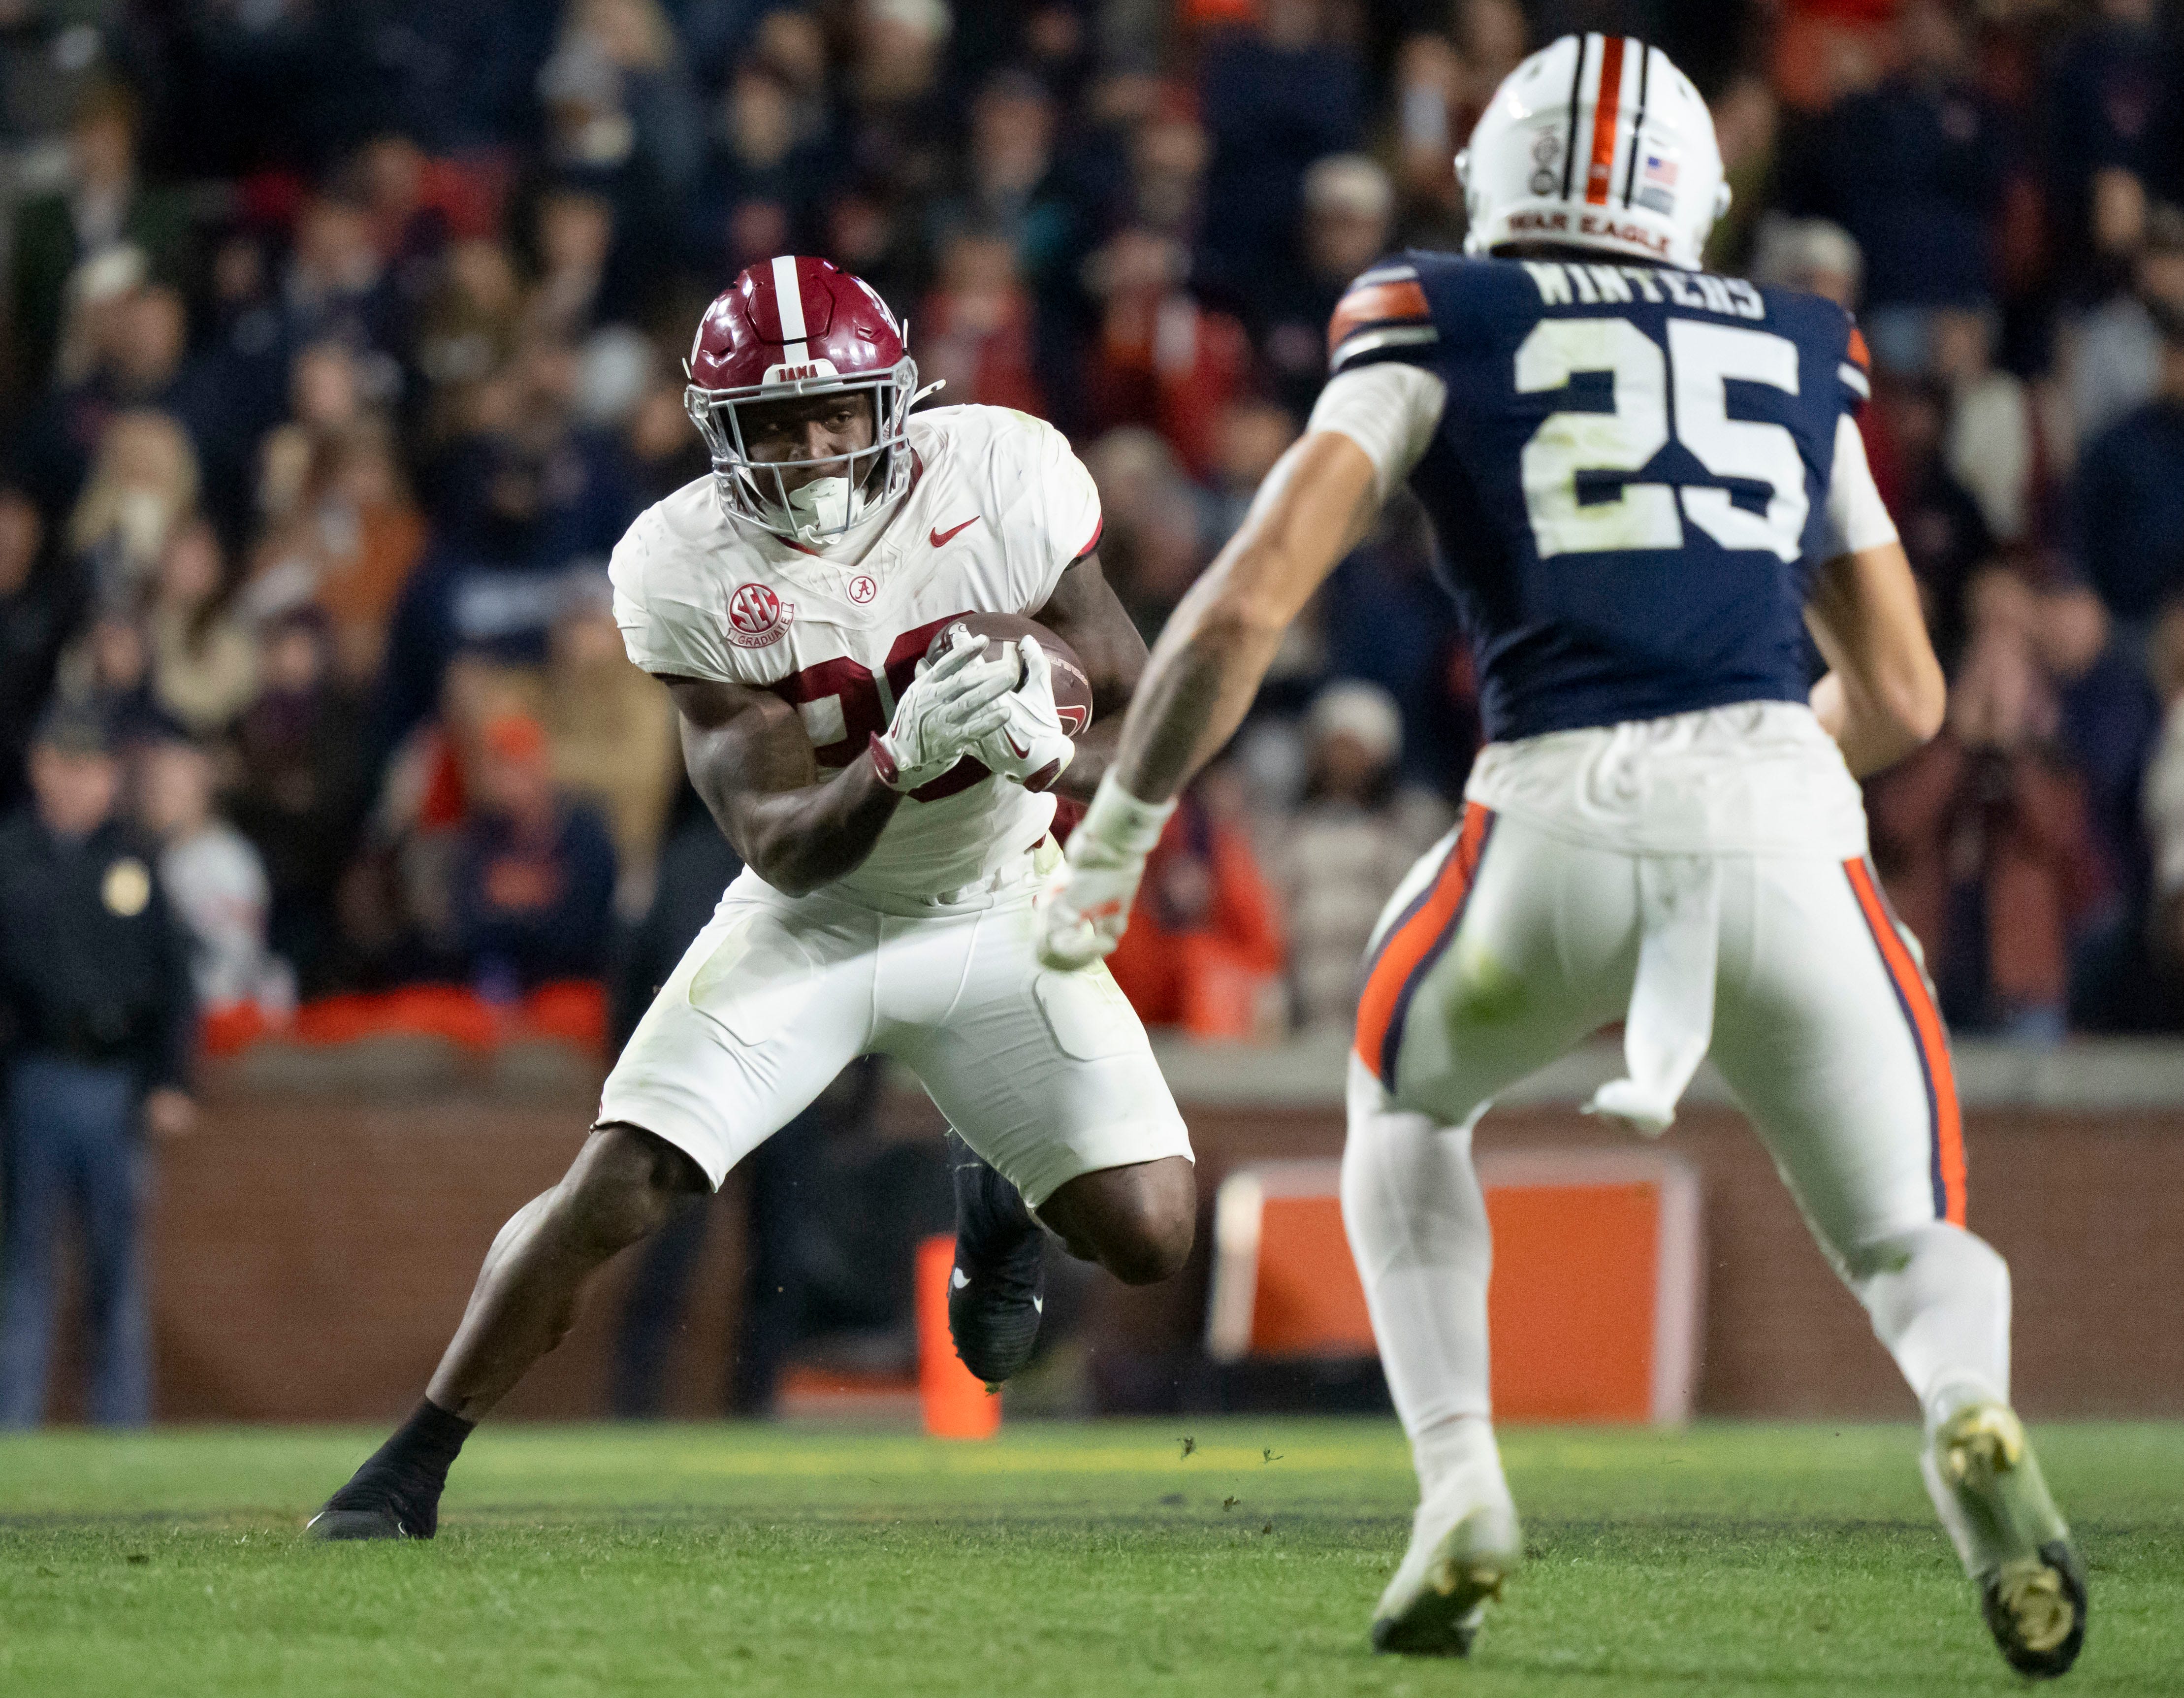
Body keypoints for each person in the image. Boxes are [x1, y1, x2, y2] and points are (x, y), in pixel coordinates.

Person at [1038, 36, 2084, 1680]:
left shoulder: (1436, 309)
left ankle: (1459, 1478)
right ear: (1690, 193)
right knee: (1910, 1233)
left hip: (1547, 815)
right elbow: (1903, 693)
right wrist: (1745, 794)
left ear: (1498, 173)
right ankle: (1963, 1410)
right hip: (1779, 809)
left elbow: (1244, 602)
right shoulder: (1800, 341)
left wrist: (1113, 834)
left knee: (1400, 1091)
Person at [309, 254, 1194, 1538]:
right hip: (814, 927)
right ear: (722, 435)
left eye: (837, 414)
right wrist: (901, 758)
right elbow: (780, 841)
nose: (817, 448)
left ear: (895, 402)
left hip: (1003, 897)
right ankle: (409, 1464)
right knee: (620, 1184)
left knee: (1152, 1230)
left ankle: (1000, 1195)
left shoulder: (1001, 474)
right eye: (778, 425)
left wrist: (1047, 755)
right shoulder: (679, 564)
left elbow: (1142, 711)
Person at [0, 705, 196, 1427]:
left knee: (117, 1270)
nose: (80, 782)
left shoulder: (135, 861)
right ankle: (12, 1427)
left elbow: (174, 984)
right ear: (40, 768)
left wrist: (170, 1080)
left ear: (113, 777)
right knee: (26, 1266)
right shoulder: (12, 856)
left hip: (117, 1083)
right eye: (66, 764)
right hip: (34, 1074)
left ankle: (121, 1426)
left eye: (94, 768)